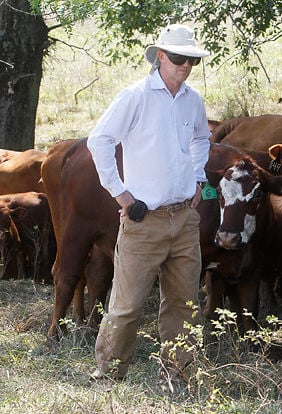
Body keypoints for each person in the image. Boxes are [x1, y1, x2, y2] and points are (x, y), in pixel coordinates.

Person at [87, 23, 211, 381]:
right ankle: (109, 373)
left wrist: (198, 178)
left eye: (191, 60)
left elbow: (202, 139)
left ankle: (180, 373)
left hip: (184, 219)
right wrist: (121, 194)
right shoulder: (135, 96)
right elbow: (100, 141)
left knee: (185, 305)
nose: (185, 65)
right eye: (177, 58)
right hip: (144, 219)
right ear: (160, 56)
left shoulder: (193, 100)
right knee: (126, 306)